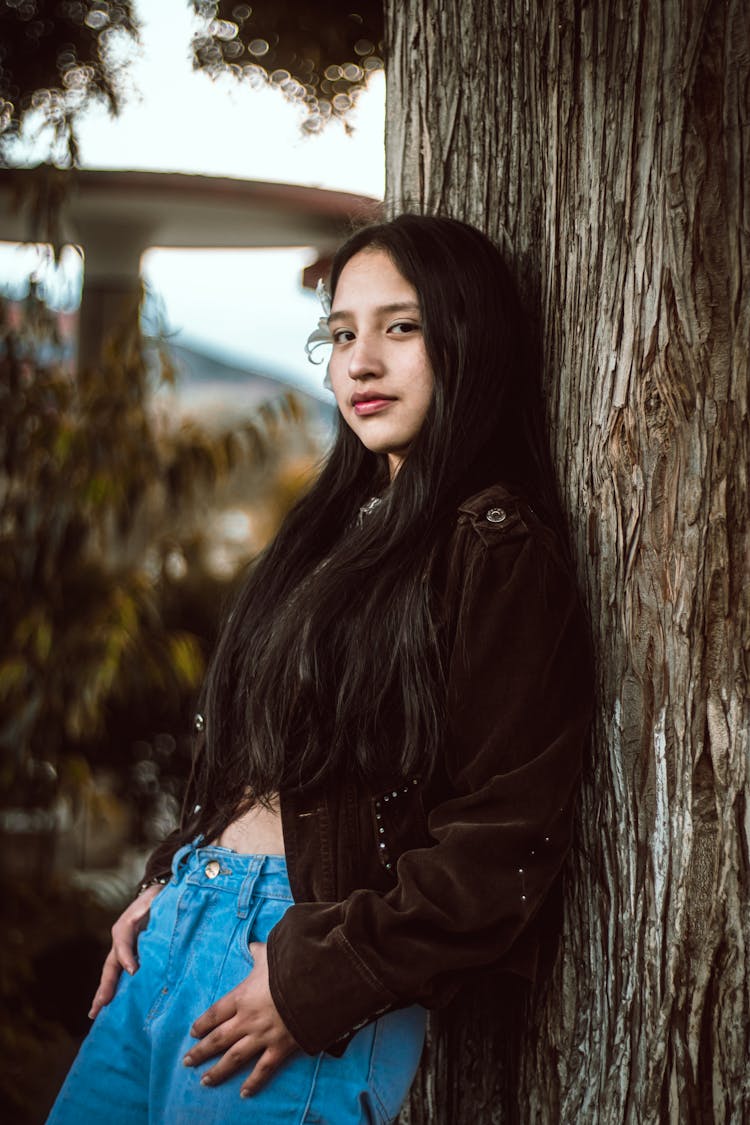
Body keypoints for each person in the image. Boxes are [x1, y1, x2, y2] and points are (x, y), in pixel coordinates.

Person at [46, 214, 593, 1124]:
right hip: (181, 928)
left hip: (297, 965)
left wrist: (317, 979)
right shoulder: (333, 529)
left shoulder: (492, 546)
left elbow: (506, 839)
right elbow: (250, 748)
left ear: (471, 336)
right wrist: (170, 874)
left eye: (401, 327)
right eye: (342, 333)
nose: (360, 363)